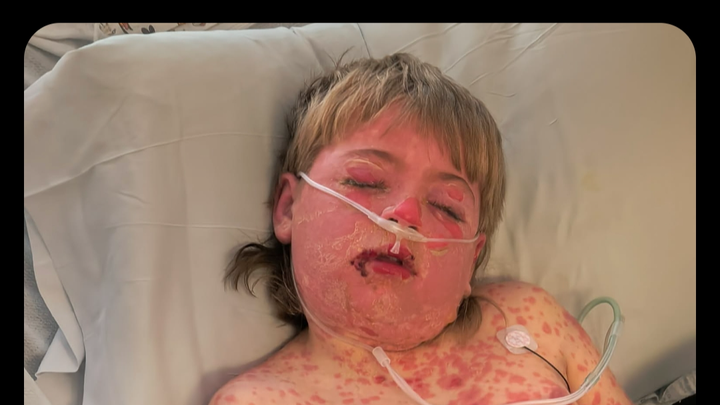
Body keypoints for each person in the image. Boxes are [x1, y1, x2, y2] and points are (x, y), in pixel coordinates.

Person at [210, 53, 632, 405]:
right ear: (288, 208)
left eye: (446, 207)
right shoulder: (257, 399)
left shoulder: (528, 317)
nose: (406, 214)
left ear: (472, 260)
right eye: (365, 180)